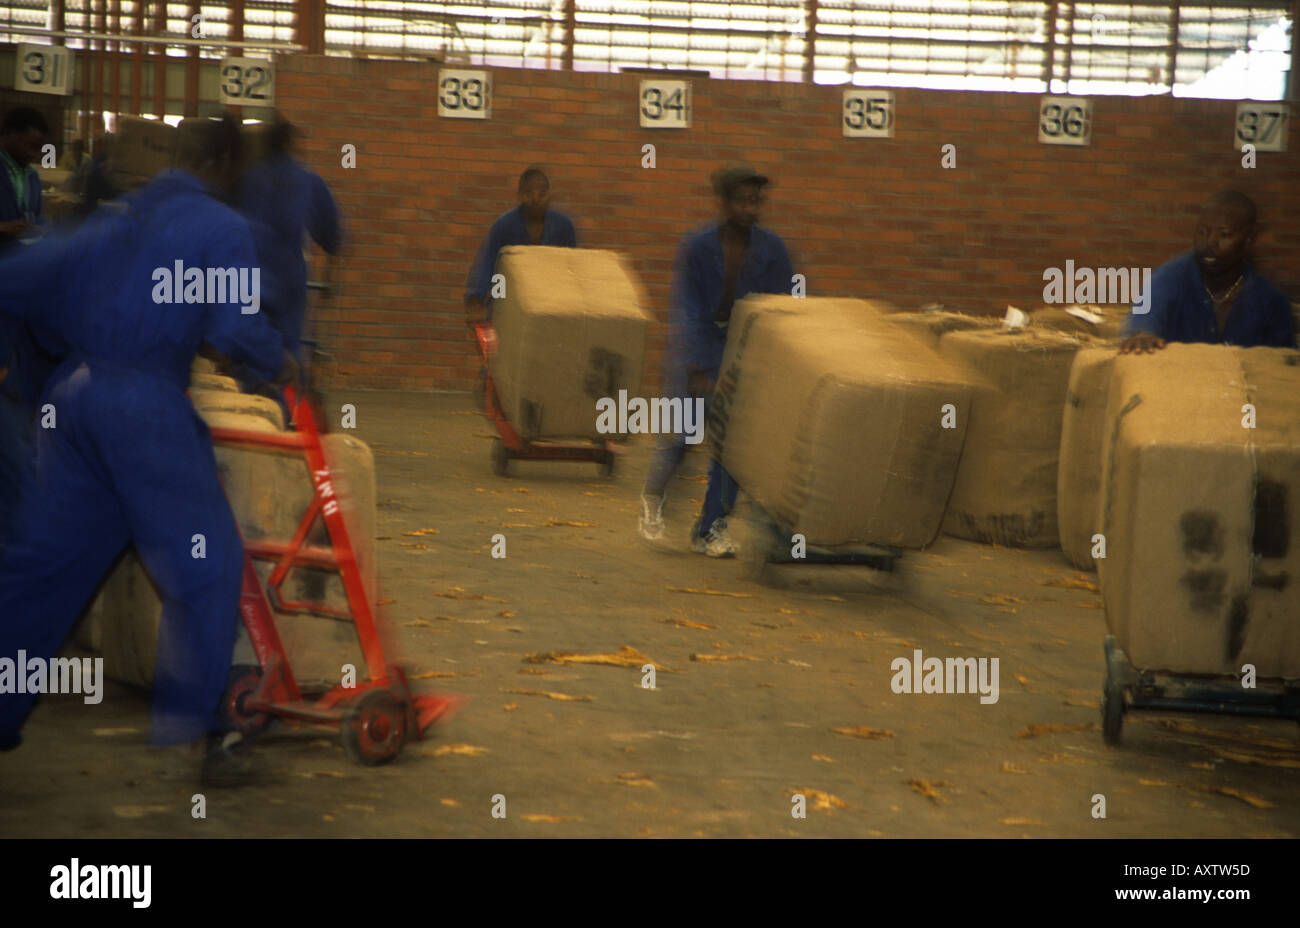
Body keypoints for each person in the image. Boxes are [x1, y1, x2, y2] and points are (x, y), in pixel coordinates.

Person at [0, 113, 294, 786]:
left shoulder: (115, 218)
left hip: (72, 404)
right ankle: (207, 734)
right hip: (143, 409)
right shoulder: (221, 228)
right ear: (221, 164)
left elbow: (25, 282)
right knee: (208, 564)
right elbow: (238, 329)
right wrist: (276, 364)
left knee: (42, 570)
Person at [639, 164, 795, 557]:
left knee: (731, 450)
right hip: (694, 352)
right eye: (741, 200)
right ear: (723, 203)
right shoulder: (696, 246)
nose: (749, 208)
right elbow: (686, 309)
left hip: (742, 354)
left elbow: (782, 310)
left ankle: (710, 528)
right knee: (681, 439)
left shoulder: (773, 251)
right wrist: (696, 366)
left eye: (755, 201)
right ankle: (653, 497)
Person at [233, 112, 342, 399]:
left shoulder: (245, 179)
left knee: (247, 347)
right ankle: (282, 416)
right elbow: (332, 236)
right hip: (288, 280)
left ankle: (248, 408)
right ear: (292, 144)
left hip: (246, 277)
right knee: (287, 352)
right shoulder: (308, 181)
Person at [1120, 190, 1295, 353]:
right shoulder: (1170, 278)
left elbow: (1283, 362)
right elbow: (1145, 313)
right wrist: (1142, 334)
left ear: (1248, 239)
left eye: (1224, 234)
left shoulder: (1270, 301)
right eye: (1202, 232)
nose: (1210, 242)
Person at [0, 106, 52, 554]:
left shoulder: (32, 180)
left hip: (17, 296)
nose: (36, 154)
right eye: (30, 144)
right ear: (9, 135)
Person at [463, 166, 577, 324]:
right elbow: (490, 266)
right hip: (509, 297)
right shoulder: (504, 226)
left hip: (551, 303)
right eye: (529, 193)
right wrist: (478, 300)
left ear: (550, 196)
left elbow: (572, 268)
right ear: (519, 195)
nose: (535, 199)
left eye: (542, 194)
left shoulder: (563, 227)